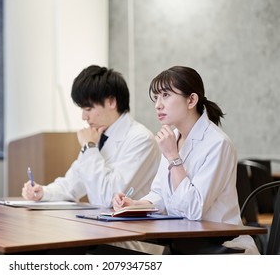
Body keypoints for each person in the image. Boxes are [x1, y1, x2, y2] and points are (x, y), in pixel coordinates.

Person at [112, 65, 259, 254]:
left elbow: (193, 210)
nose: (158, 104)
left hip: (222, 249)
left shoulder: (218, 144)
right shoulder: (173, 137)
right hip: (185, 244)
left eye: (166, 95)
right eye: (156, 97)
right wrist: (136, 205)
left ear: (191, 100)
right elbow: (160, 194)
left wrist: (173, 157)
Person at [22, 65, 161, 208]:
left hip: (136, 227)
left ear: (111, 102)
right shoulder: (98, 136)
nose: (84, 117)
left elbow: (108, 198)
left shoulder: (141, 140)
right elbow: (72, 184)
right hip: (105, 224)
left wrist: (89, 147)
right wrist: (43, 192)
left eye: (88, 109)